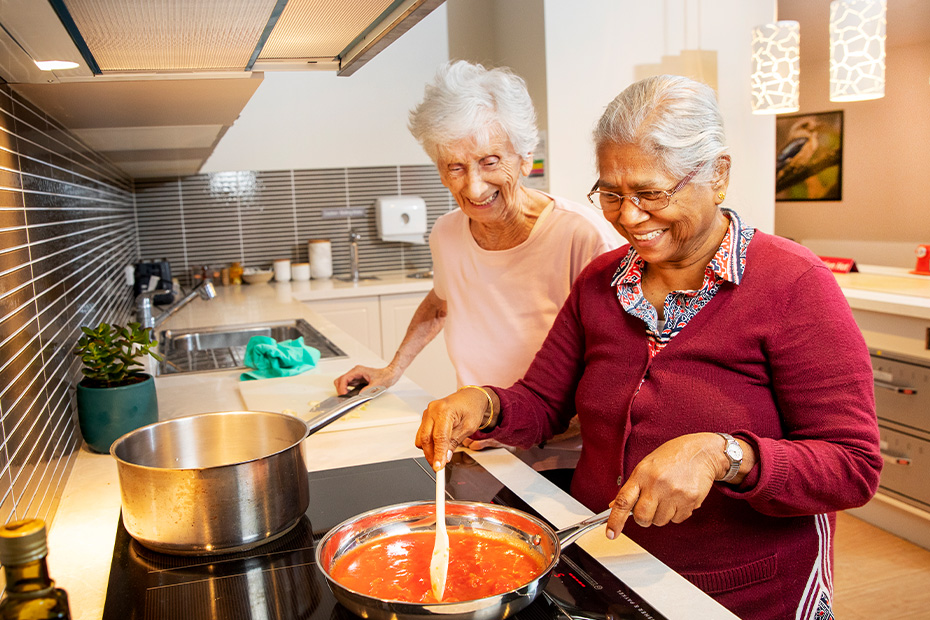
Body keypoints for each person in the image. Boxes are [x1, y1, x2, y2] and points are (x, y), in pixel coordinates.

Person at [415, 75, 882, 620]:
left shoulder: (793, 282)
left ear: (719, 176)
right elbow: (542, 404)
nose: (628, 216)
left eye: (651, 193)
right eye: (611, 194)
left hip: (741, 592)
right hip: (605, 566)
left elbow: (853, 466)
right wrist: (483, 404)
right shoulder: (600, 282)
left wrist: (724, 455)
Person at [335, 61, 621, 458]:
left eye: (489, 162)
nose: (473, 186)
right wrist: (392, 370)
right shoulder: (447, 233)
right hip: (479, 442)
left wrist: (530, 422)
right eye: (455, 166)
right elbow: (440, 304)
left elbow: (616, 357)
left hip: (561, 452)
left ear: (525, 157)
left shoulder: (581, 235)